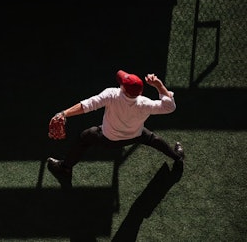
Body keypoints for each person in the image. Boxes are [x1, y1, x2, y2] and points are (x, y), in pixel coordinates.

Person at [47, 69, 185, 178]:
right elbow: (170, 107)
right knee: (153, 139)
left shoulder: (112, 94)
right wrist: (158, 85)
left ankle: (65, 168)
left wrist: (64, 113)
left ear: (123, 89)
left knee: (84, 137)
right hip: (135, 135)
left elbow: (87, 105)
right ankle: (177, 157)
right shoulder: (145, 103)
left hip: (108, 138)